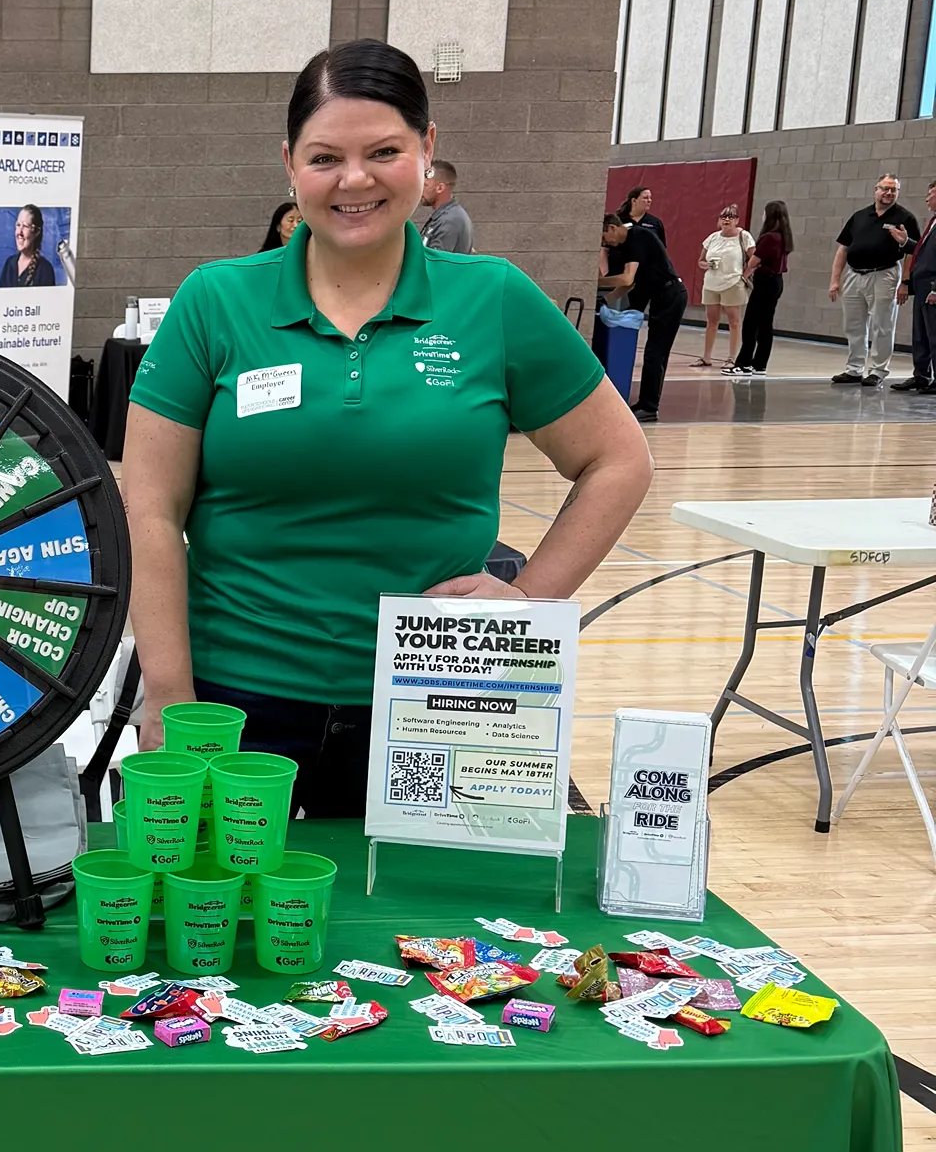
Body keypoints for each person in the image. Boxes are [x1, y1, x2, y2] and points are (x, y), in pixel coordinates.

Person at [121, 39, 651, 815]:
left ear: (427, 150)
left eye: (384, 151)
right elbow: (150, 510)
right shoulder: (215, 303)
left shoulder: (493, 299)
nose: (355, 179)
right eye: (326, 156)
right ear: (289, 166)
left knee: (429, 931)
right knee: (233, 932)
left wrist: (531, 597)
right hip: (234, 705)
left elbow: (619, 460)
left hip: (439, 699)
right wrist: (167, 694)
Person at [829, 174, 917, 384]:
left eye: (893, 190)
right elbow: (843, 248)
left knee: (882, 324)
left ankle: (878, 370)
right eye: (885, 188)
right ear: (875, 190)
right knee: (853, 324)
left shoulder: (905, 217)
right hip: (854, 274)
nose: (888, 193)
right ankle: (854, 368)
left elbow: (912, 252)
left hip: (885, 274)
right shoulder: (859, 216)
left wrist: (905, 282)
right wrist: (835, 279)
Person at [599, 214, 686, 423]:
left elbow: (627, 278)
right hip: (659, 297)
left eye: (604, 238)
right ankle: (645, 403)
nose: (605, 244)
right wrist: (607, 300)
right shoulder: (627, 244)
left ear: (612, 228)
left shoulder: (637, 237)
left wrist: (596, 282)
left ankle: (649, 407)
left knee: (655, 353)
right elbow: (630, 284)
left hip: (671, 295)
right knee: (653, 353)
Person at [733, 200, 792, 376]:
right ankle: (760, 364)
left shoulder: (769, 237)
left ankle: (743, 363)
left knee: (751, 323)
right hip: (777, 282)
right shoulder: (784, 236)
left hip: (765, 281)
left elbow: (753, 261)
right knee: (766, 323)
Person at [695, 205, 752, 369]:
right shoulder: (713, 237)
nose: (727, 220)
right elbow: (700, 261)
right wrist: (706, 265)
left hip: (733, 283)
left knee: (734, 322)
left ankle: (733, 358)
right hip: (712, 283)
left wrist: (744, 275)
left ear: (737, 221)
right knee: (711, 321)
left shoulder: (744, 236)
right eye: (724, 217)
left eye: (731, 217)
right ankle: (706, 357)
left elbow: (754, 259)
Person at [894, 180, 936, 394]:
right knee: (920, 334)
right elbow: (924, 252)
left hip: (931, 287)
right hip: (921, 286)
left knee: (934, 334)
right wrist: (906, 242)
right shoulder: (933, 222)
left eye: (931, 193)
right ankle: (921, 376)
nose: (927, 198)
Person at [419, 159, 474, 253]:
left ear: (440, 188)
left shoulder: (449, 221)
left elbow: (436, 264)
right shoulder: (445, 216)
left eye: (425, 185)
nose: (421, 190)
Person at [0, 205, 58, 287]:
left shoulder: (45, 270)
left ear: (36, 232)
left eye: (25, 226)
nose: (19, 232)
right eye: (18, 225)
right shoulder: (9, 263)